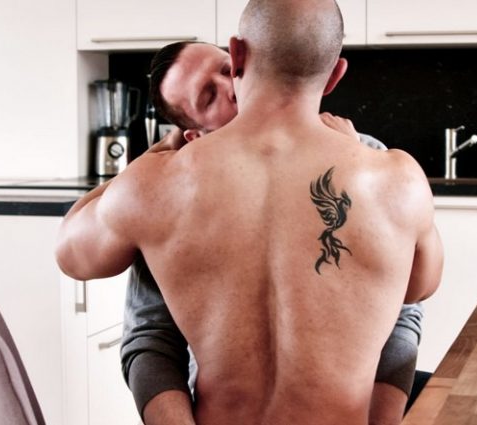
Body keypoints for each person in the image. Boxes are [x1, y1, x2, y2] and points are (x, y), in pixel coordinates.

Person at [56, 0, 442, 422]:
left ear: (237, 55)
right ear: (335, 74)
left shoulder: (157, 185)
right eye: (207, 96)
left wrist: (153, 162)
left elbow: (71, 255)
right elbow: (415, 290)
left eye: (224, 71)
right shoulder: (397, 178)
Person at [125, 41, 425, 425]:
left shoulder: (369, 157)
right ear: (196, 137)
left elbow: (403, 314)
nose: (232, 87)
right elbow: (150, 336)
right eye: (209, 96)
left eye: (227, 70)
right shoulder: (166, 189)